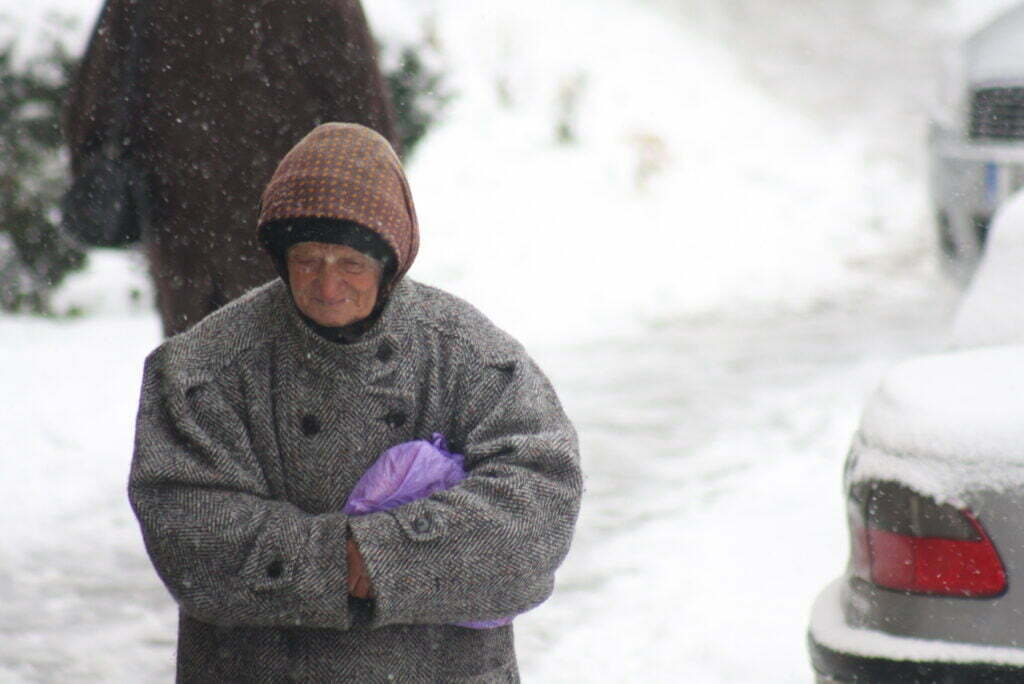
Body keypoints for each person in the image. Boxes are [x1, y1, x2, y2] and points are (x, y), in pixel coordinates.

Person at [128, 122, 583, 682]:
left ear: (391, 262)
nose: (327, 285)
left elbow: (537, 514)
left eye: (351, 263)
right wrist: (339, 563)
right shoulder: (202, 368)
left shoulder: (470, 356)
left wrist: (381, 556)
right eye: (307, 259)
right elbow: (190, 536)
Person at [65, 0, 400, 336]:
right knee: (296, 367)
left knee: (198, 369)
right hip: (296, 236)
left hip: (188, 237)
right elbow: (367, 123)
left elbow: (95, 110)